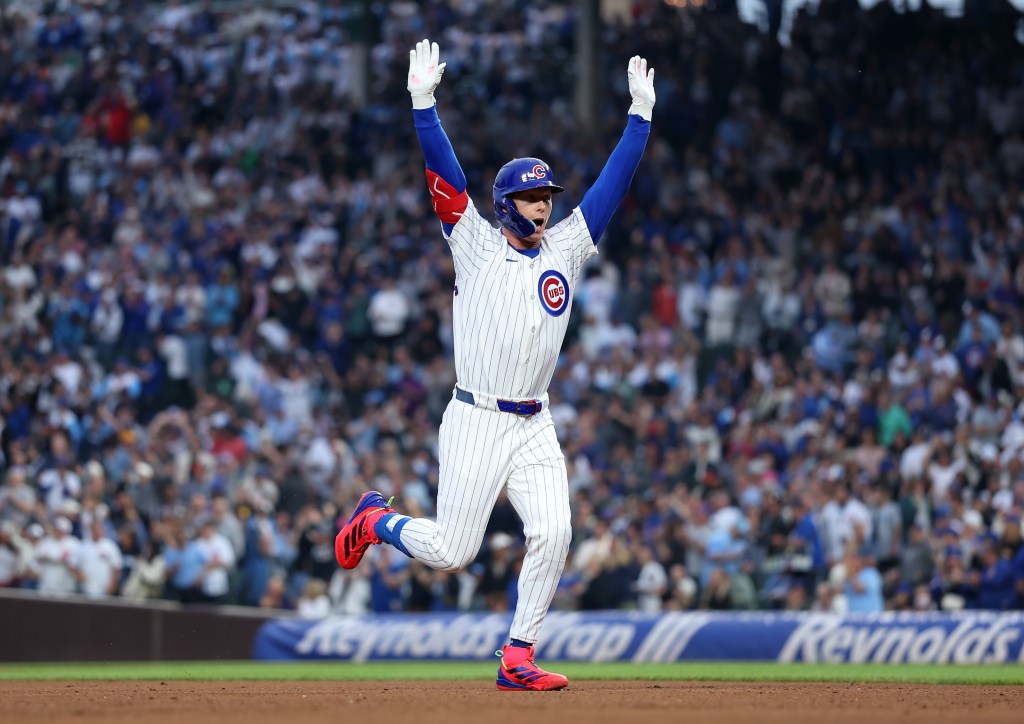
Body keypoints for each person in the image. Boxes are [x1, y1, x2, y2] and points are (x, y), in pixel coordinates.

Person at [336, 39, 655, 691]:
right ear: (508, 201)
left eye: (548, 196)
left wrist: (639, 120)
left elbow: (610, 190)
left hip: (534, 420)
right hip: (477, 416)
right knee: (455, 552)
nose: (545, 205)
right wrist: (423, 103)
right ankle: (375, 521)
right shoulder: (474, 244)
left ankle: (517, 655)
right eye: (534, 196)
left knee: (556, 530)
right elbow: (445, 176)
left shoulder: (566, 248)